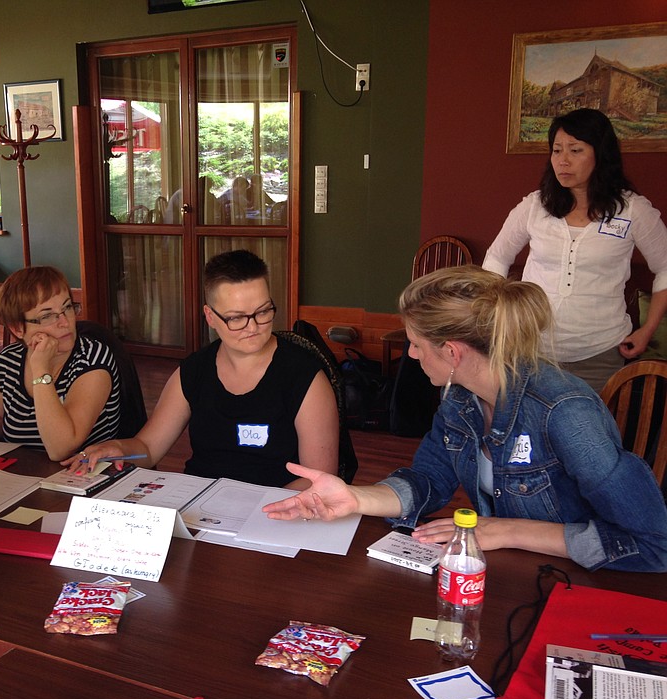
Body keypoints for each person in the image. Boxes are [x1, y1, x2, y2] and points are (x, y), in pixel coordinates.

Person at [263, 266, 667, 572]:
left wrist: (509, 530)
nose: (414, 355)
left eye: (417, 345)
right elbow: (428, 481)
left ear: (453, 352)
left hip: (579, 585)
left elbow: (653, 544)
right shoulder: (461, 398)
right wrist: (356, 498)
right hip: (500, 574)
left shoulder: (565, 412)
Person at [65, 250, 339, 489]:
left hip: (275, 513)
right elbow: (148, 449)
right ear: (210, 317)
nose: (253, 327)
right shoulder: (194, 371)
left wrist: (258, 511)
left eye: (263, 312)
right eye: (236, 318)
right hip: (202, 506)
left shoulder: (304, 376)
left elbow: (320, 478)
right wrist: (120, 448)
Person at [483, 107, 667, 392]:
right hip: (531, 350)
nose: (563, 161)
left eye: (575, 150)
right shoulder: (535, 206)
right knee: (529, 434)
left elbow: (665, 267)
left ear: (600, 154)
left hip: (600, 354)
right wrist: (500, 317)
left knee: (585, 435)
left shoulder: (634, 210)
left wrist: (647, 330)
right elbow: (497, 257)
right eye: (557, 151)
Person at [0, 266, 121, 461]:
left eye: (68, 307)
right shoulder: (9, 360)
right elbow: (0, 415)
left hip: (80, 479)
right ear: (18, 328)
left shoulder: (92, 358)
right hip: (21, 476)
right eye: (47, 316)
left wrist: (41, 371)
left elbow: (61, 447)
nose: (65, 322)